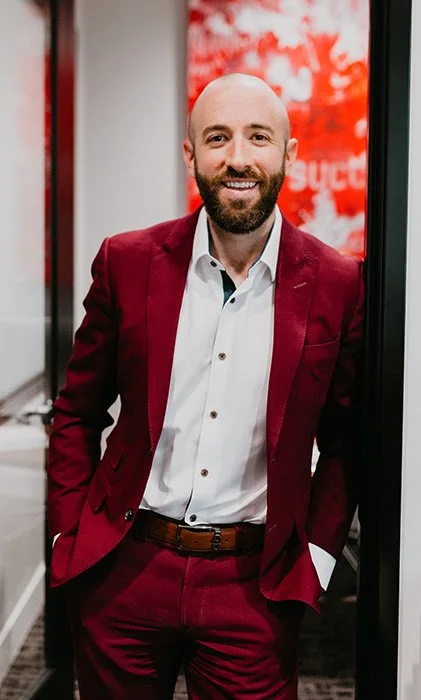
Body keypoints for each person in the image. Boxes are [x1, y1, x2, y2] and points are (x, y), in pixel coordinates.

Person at [48, 73, 364, 699]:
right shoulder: (127, 261)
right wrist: (67, 535)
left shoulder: (338, 282)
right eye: (218, 138)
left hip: (253, 587)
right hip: (124, 572)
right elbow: (76, 412)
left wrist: (318, 558)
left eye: (258, 137)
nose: (238, 158)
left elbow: (347, 439)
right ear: (191, 154)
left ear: (288, 154)